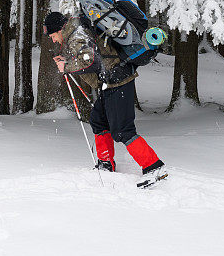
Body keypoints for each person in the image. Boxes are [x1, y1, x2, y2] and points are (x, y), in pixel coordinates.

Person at [43, 11, 167, 183]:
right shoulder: (77, 32)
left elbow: (90, 60)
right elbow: (90, 54)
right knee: (98, 120)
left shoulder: (76, 34)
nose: (53, 39)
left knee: (123, 130)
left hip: (118, 81)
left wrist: (67, 66)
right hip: (109, 82)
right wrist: (67, 61)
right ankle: (105, 163)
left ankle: (154, 167)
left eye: (52, 35)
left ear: (59, 29)